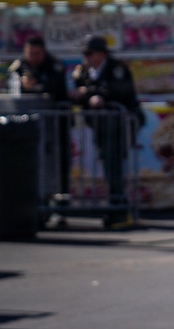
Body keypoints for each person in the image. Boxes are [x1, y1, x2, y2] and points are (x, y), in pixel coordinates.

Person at [72, 35, 142, 208]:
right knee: (107, 160)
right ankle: (115, 199)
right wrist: (85, 95)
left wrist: (92, 94)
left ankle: (118, 201)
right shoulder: (84, 71)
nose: (86, 57)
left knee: (115, 160)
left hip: (119, 123)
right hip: (100, 124)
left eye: (90, 53)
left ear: (102, 54)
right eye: (84, 53)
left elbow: (120, 91)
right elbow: (78, 90)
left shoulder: (117, 68)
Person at [8, 35, 72, 199]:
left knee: (58, 162)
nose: (33, 57)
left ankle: (60, 203)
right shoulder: (19, 66)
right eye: (30, 53)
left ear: (43, 52)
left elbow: (57, 88)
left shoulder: (54, 65)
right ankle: (29, 199)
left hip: (56, 124)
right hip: (28, 126)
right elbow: (12, 89)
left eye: (36, 53)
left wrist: (36, 85)